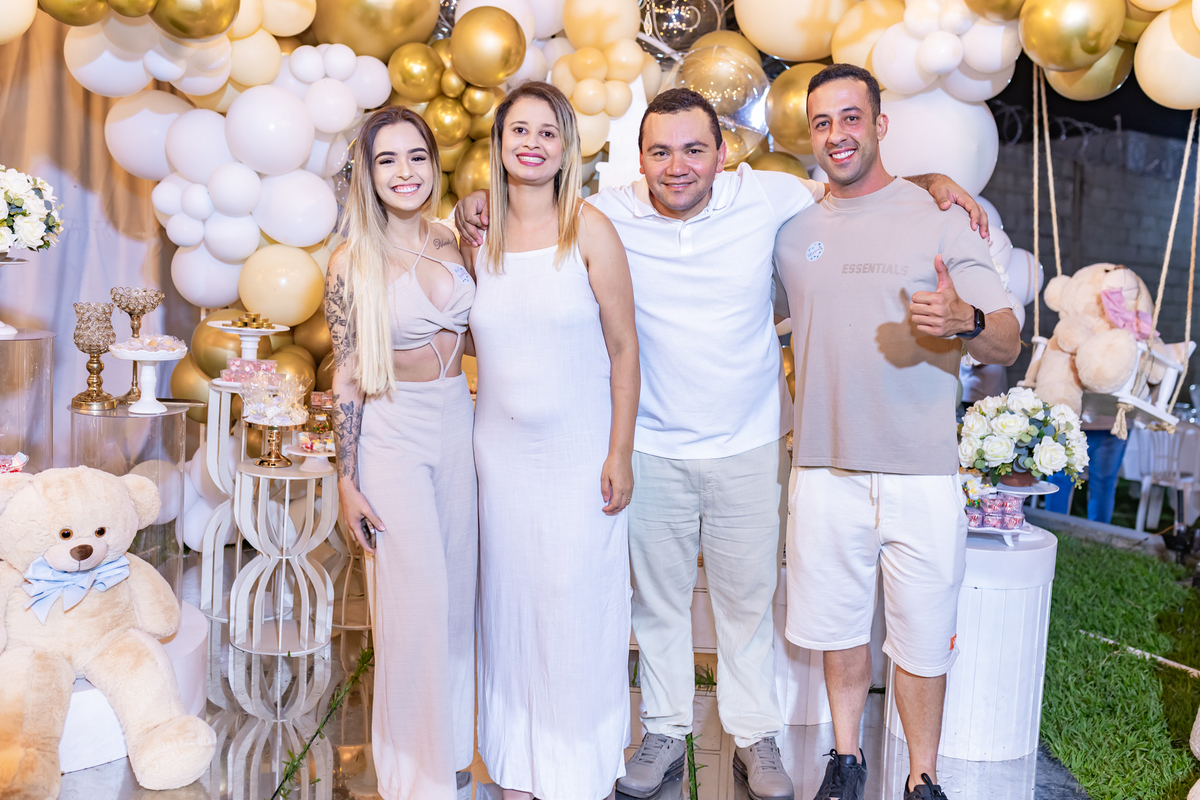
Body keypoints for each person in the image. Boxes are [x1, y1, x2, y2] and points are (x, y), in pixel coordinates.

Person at [457, 89, 987, 800]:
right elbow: (528, 214)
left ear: (723, 153)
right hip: (651, 443)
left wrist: (932, 182)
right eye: (660, 152)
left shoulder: (766, 196)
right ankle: (664, 732)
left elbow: (854, 182)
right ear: (639, 159)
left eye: (693, 149)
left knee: (747, 603)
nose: (677, 166)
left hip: (749, 442)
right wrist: (474, 203)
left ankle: (755, 736)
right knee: (658, 606)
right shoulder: (606, 214)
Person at [772, 64, 1020, 800]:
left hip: (922, 471)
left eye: (851, 118)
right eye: (822, 122)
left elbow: (1007, 339)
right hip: (824, 468)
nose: (837, 134)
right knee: (839, 630)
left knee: (922, 640)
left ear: (880, 125)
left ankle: (922, 779)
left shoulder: (941, 218)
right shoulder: (791, 233)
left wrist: (966, 320)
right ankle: (846, 762)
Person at [462, 81, 640, 800]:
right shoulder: (478, 237)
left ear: (567, 148)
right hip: (498, 462)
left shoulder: (590, 230)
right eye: (520, 131)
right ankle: (515, 772)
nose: (532, 144)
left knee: (574, 612)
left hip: (580, 459)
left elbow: (624, 348)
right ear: (500, 142)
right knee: (508, 615)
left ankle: (576, 774)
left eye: (547, 132)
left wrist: (619, 451)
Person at [324, 106, 476, 800]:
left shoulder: (454, 240)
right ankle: (414, 777)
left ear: (433, 163)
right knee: (415, 603)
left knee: (457, 600)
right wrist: (347, 481)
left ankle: (451, 755)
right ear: (368, 173)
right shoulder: (350, 261)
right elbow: (347, 376)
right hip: (393, 434)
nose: (404, 172)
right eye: (387, 160)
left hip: (459, 426)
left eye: (416, 156)